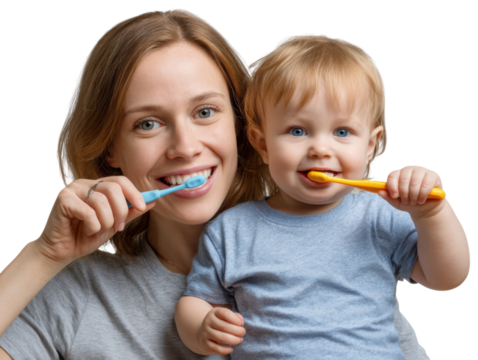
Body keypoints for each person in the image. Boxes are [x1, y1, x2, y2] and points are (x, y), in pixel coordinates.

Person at [0, 10, 433, 359]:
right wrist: (43, 254)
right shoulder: (76, 294)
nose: (185, 147)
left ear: (245, 126)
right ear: (110, 149)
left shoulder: (342, 249)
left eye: (205, 112)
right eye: (148, 123)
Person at [174, 34, 471, 359]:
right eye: (297, 131)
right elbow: (195, 301)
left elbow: (448, 278)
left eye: (342, 132)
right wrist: (201, 326)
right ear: (263, 144)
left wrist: (431, 215)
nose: (320, 149)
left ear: (369, 146)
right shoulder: (230, 231)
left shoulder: (379, 214)